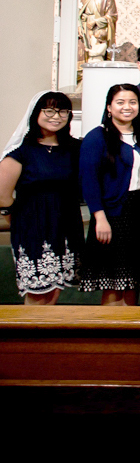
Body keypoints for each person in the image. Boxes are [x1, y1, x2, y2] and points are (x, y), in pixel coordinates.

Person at [78, 84, 140, 305]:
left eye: (133, 102)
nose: (127, 107)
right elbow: (89, 181)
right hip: (114, 215)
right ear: (109, 108)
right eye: (120, 102)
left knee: (132, 280)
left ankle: (130, 335)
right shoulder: (97, 138)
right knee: (114, 282)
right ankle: (109, 336)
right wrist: (99, 217)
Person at [0, 92, 84, 304]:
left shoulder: (75, 149)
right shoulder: (21, 152)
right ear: (35, 113)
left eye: (63, 111)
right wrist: (17, 221)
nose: (56, 116)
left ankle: (47, 337)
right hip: (33, 228)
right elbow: (2, 196)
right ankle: (30, 336)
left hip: (67, 226)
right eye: (49, 110)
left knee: (55, 291)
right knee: (38, 294)